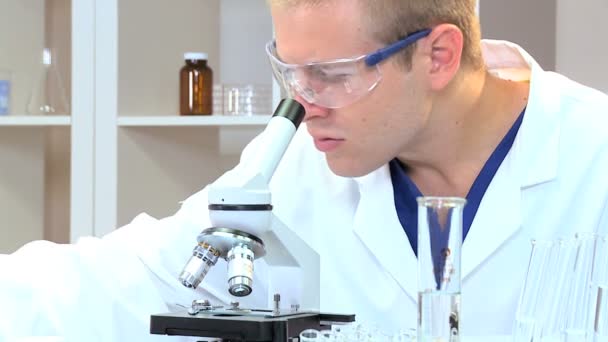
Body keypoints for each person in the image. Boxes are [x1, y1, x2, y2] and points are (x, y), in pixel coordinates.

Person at [2, 0, 608, 340]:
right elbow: (127, 282)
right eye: (288, 69)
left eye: (333, 74)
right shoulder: (296, 165)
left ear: (439, 55)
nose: (302, 99)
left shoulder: (593, 161)